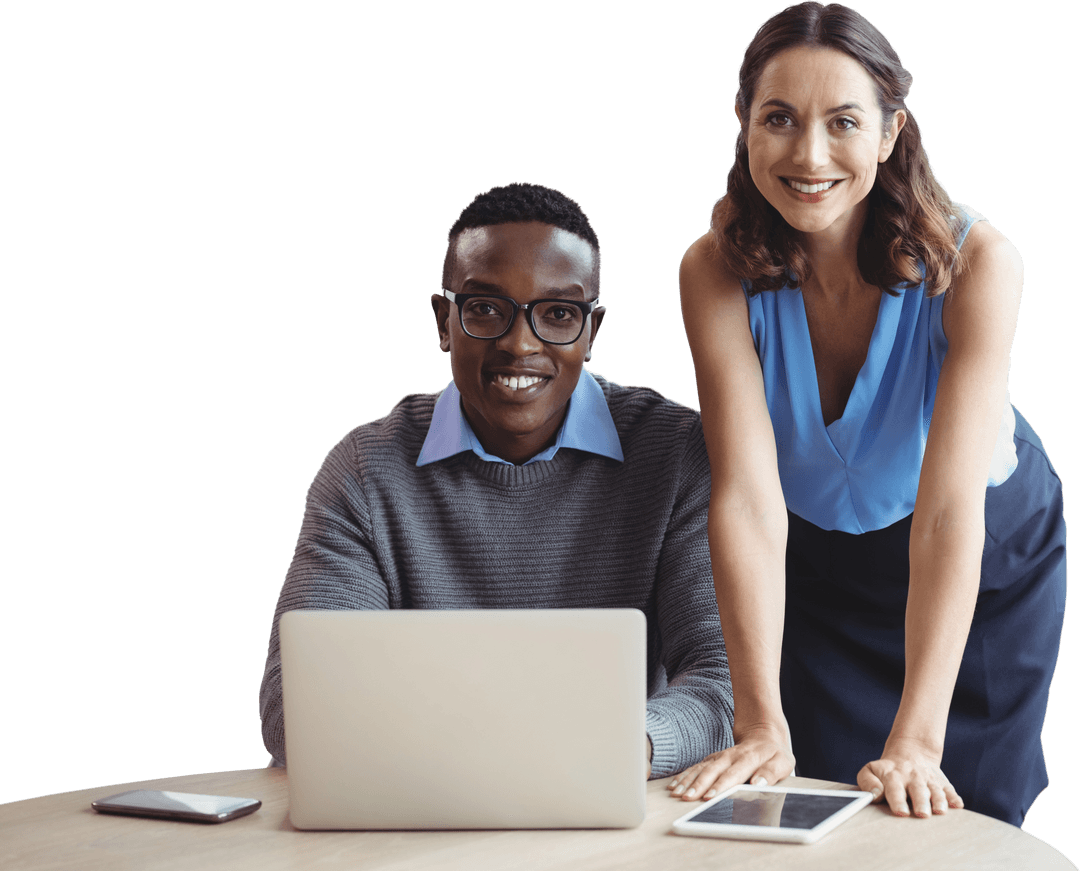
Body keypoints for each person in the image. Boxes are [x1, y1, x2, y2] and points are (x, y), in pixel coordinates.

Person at [672, 1, 1066, 826]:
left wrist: (919, 738)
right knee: (815, 802)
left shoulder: (981, 263)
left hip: (981, 555)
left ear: (890, 134)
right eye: (778, 119)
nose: (808, 155)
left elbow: (951, 512)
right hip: (820, 561)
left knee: (959, 811)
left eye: (843, 121)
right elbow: (746, 498)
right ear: (744, 125)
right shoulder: (712, 270)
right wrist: (757, 715)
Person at [259, 181, 734, 778]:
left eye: (558, 314)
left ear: (592, 334)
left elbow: (722, 684)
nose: (520, 343)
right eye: (485, 309)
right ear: (443, 321)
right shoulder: (365, 470)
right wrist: (487, 756)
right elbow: (293, 704)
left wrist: (617, 746)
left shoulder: (675, 455)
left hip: (605, 793)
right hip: (416, 807)